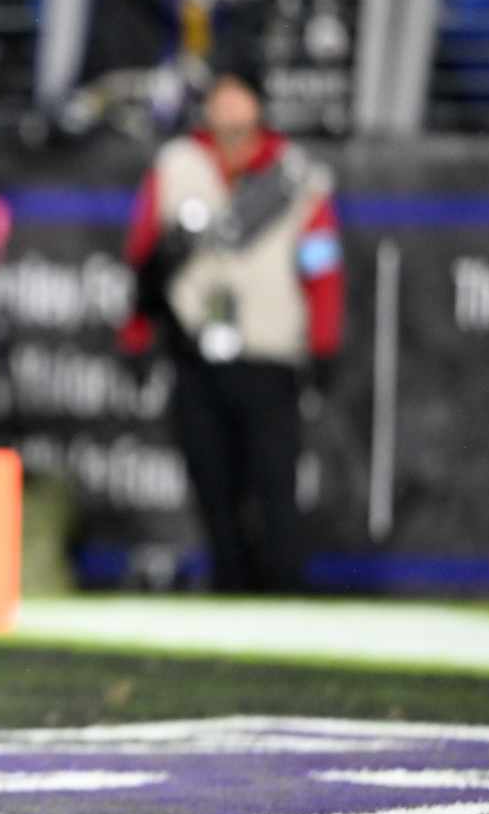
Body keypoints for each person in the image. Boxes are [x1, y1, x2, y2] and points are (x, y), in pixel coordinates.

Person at [119, 48, 344, 593]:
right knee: (212, 484)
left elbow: (320, 265)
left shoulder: (294, 177)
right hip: (195, 350)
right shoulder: (177, 167)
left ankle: (284, 592)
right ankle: (231, 585)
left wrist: (323, 341)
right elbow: (142, 254)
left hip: (268, 353)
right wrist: (136, 334)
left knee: (274, 485)